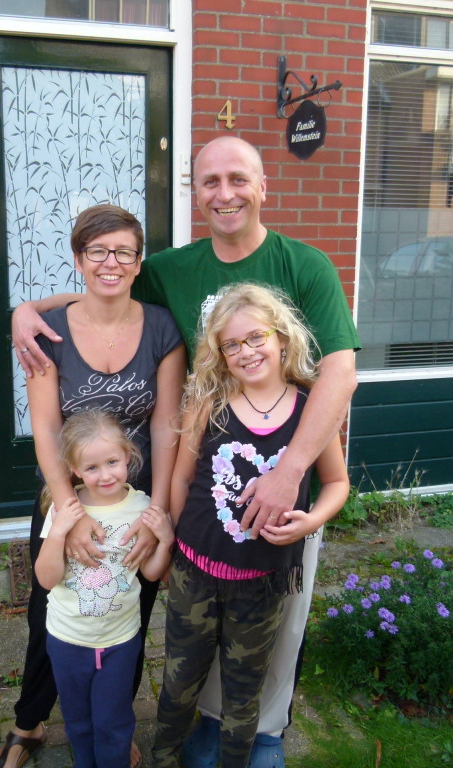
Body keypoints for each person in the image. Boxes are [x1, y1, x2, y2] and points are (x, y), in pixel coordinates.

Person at [11, 136, 360, 767]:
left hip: (281, 481)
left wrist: (292, 471)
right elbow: (106, 287)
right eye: (209, 182)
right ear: (195, 194)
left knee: (272, 628)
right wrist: (26, 309)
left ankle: (261, 736)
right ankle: (101, 724)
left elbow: (340, 372)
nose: (224, 193)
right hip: (192, 493)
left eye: (238, 179)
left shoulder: (305, 264)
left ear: (262, 186)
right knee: (166, 623)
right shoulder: (172, 267)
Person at [0, 204, 185, 768]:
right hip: (65, 495)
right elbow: (47, 428)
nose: (110, 262)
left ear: (138, 260)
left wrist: (161, 515)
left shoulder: (161, 328)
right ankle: (28, 727)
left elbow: (167, 429)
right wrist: (70, 510)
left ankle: (113, 728)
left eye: (123, 251)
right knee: (48, 608)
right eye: (97, 251)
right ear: (78, 259)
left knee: (130, 612)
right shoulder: (48, 334)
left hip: (134, 501)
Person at [152, 283, 351, 768]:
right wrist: (175, 548)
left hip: (261, 583)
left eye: (256, 337)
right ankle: (162, 756)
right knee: (179, 681)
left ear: (282, 337)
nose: (246, 351)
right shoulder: (210, 403)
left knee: (244, 694)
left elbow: (338, 483)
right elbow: (181, 478)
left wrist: (311, 523)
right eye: (232, 344)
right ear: (220, 354)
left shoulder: (310, 413)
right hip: (194, 574)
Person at [36, 410, 174, 768]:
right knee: (78, 723)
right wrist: (58, 530)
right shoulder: (66, 509)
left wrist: (165, 541)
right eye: (92, 467)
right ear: (74, 469)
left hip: (120, 641)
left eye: (112, 461)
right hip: (67, 639)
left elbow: (153, 573)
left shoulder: (142, 507)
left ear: (128, 456)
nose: (105, 474)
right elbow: (46, 578)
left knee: (114, 723)